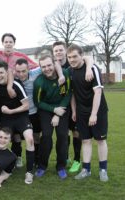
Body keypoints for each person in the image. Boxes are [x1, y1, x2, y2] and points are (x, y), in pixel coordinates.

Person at [67, 44, 109, 182]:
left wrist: (94, 114)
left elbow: (98, 92)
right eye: (70, 57)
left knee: (100, 140)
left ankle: (103, 170)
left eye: (75, 56)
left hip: (98, 111)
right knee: (85, 140)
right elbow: (72, 93)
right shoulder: (70, 72)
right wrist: (74, 111)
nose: (72, 59)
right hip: (81, 112)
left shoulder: (93, 69)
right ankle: (86, 169)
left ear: (81, 56)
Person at [52, 41, 94, 173]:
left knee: (76, 132)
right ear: (53, 53)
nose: (58, 52)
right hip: (63, 105)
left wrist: (88, 69)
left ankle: (77, 160)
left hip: (76, 104)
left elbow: (87, 57)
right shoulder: (54, 65)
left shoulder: (72, 62)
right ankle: (66, 157)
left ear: (66, 51)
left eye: (60, 50)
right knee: (64, 134)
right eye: (56, 51)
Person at [0, 60, 35, 184]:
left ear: (7, 72)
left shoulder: (16, 84)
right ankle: (0, 168)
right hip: (6, 119)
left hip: (20, 116)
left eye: (1, 72)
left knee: (30, 139)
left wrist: (10, 111)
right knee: (0, 140)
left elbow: (26, 105)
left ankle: (29, 172)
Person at [33, 55, 71, 180]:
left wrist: (58, 113)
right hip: (46, 110)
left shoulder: (64, 74)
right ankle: (42, 166)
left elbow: (68, 93)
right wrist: (54, 110)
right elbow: (38, 102)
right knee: (47, 136)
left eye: (49, 65)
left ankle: (61, 167)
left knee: (62, 135)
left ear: (54, 64)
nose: (47, 69)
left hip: (62, 108)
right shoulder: (39, 81)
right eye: (43, 66)